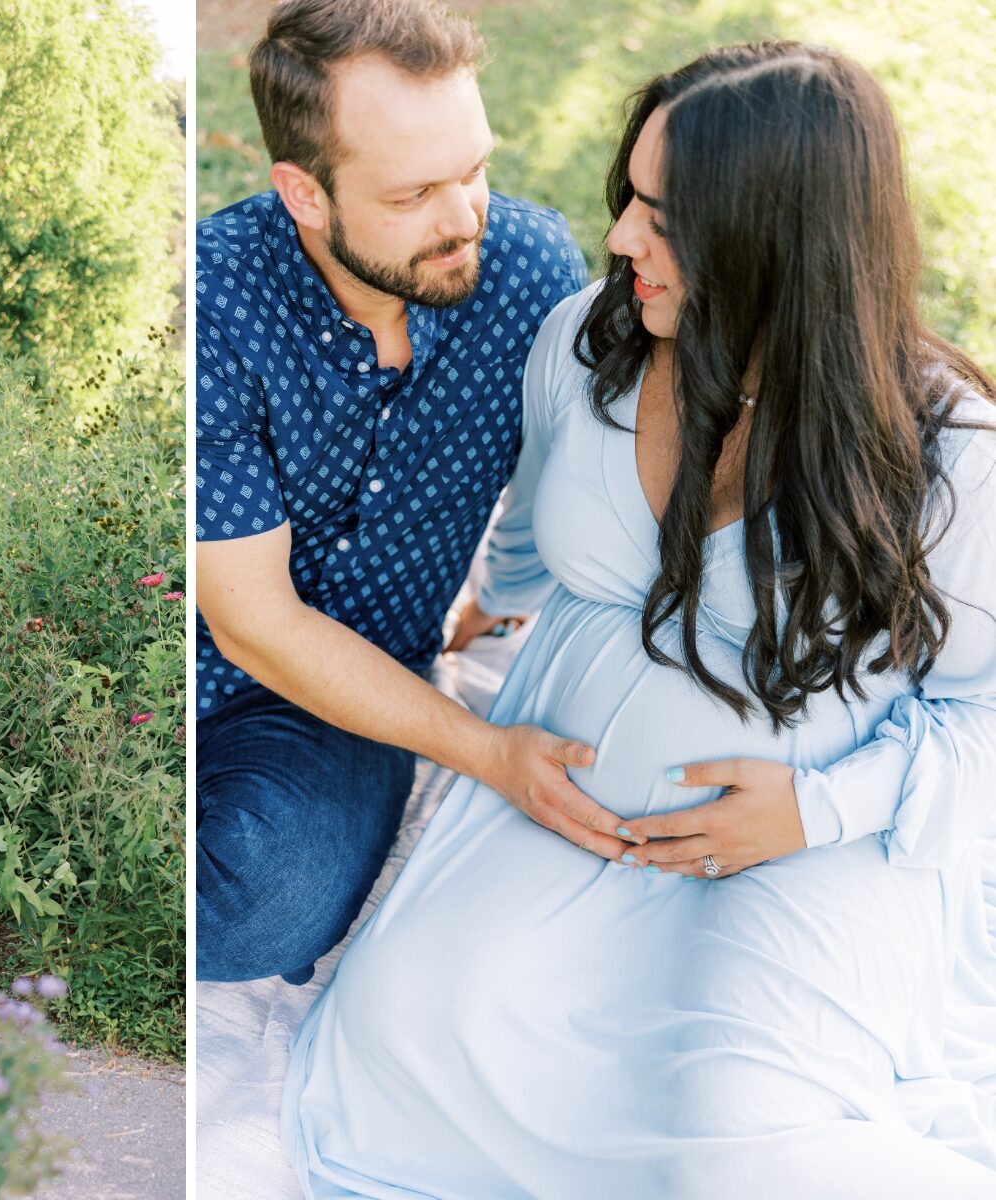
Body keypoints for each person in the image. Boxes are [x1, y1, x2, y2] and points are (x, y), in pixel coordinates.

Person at [281, 40, 996, 1197]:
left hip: (805, 841)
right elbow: (543, 519)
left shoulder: (945, 455)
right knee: (400, 1037)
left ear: (774, 239)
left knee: (728, 1133)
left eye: (661, 218)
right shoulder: (587, 340)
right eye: (629, 200)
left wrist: (813, 810)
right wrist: (490, 606)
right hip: (570, 799)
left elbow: (984, 714)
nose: (617, 238)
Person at [196, 0, 605, 988]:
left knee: (260, 900)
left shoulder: (529, 275)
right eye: (414, 192)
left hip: (347, 700)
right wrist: (487, 751)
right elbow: (250, 625)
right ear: (303, 193)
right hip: (196, 648)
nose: (463, 217)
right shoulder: (217, 300)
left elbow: (570, 478)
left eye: (472, 169)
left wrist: (497, 605)